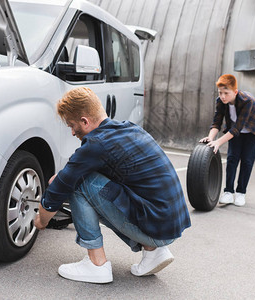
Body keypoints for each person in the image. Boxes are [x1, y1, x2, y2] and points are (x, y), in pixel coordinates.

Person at [34, 87, 191, 284]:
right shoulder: (128, 129)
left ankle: (96, 264)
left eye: (72, 126)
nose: (73, 132)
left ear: (85, 121)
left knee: (78, 182)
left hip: (157, 228)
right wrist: (64, 177)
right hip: (168, 223)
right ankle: (153, 253)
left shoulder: (96, 144)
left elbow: (57, 191)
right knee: (77, 177)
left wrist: (41, 221)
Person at [200, 74, 255, 207]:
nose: (223, 96)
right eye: (220, 92)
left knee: (247, 161)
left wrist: (218, 142)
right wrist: (211, 138)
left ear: (235, 92)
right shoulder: (220, 101)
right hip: (235, 131)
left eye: (226, 93)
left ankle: (241, 193)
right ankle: (228, 192)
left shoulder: (246, 101)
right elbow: (216, 122)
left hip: (252, 130)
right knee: (232, 159)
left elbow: (237, 128)